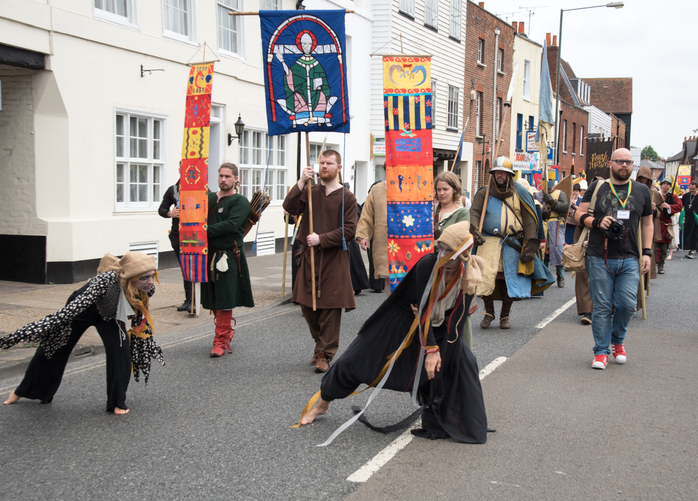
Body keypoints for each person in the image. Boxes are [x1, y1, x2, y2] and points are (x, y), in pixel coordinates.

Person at [297, 222, 489, 444]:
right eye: (441, 248)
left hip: (438, 325)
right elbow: (424, 310)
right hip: (402, 318)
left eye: (449, 252)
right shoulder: (429, 263)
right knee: (355, 360)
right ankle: (324, 401)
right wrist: (432, 348)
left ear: (463, 255)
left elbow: (457, 320)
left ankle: (449, 417)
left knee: (463, 363)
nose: (442, 255)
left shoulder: (470, 273)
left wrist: (442, 352)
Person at [2, 252, 164, 415]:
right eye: (144, 278)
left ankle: (117, 401)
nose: (150, 281)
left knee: (120, 350)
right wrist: (20, 335)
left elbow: (138, 315)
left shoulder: (148, 288)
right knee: (55, 349)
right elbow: (67, 313)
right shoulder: (104, 281)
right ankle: (23, 391)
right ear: (131, 277)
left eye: (152, 276)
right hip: (81, 311)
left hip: (109, 316)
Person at [575, 148, 653, 370]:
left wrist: (647, 252)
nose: (625, 166)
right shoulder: (598, 187)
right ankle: (600, 352)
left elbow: (647, 223)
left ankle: (617, 341)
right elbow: (578, 215)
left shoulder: (641, 191)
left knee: (628, 304)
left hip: (630, 257)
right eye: (620, 161)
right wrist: (598, 222)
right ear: (610, 163)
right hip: (599, 256)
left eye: (629, 162)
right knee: (601, 307)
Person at [283, 150, 357, 373]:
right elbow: (290, 207)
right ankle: (320, 346)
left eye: (329, 163)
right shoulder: (310, 191)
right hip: (309, 257)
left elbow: (350, 230)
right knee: (307, 305)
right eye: (321, 163)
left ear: (338, 168)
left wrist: (321, 239)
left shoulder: (348, 197)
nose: (324, 166)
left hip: (334, 258)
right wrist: (300, 181)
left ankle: (325, 353)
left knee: (329, 308)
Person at [470, 156, 553, 329]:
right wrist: (475, 228)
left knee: (509, 280)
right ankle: (489, 313)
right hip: (488, 242)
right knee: (487, 279)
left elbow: (530, 219)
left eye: (503, 172)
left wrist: (531, 243)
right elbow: (475, 212)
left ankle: (505, 316)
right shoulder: (484, 192)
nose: (499, 175)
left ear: (509, 175)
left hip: (512, 242)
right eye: (497, 172)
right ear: (492, 174)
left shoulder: (520, 192)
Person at [201, 163, 254, 358]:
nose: (223, 180)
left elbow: (231, 225)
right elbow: (195, 216)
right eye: (221, 176)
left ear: (236, 179)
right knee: (214, 297)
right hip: (209, 254)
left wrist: (203, 230)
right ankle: (226, 331)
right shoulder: (209, 198)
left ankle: (220, 341)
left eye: (228, 176)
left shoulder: (240, 201)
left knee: (224, 298)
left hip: (229, 255)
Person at [159, 180, 195, 312]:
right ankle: (188, 300)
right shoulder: (173, 190)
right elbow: (161, 209)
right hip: (178, 234)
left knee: (195, 266)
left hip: (196, 234)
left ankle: (196, 299)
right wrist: (170, 213)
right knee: (185, 267)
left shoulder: (202, 187)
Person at [356, 180, 389, 295]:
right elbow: (367, 214)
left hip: (407, 240)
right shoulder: (376, 189)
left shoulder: (412, 185)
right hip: (382, 238)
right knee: (387, 276)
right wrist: (363, 235)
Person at [539, 180, 569, 288]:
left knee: (558, 249)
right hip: (543, 224)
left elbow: (564, 207)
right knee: (544, 252)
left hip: (556, 223)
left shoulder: (560, 194)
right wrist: (542, 214)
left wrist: (552, 202)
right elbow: (535, 208)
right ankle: (544, 277)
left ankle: (560, 275)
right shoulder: (539, 194)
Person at [345, 183, 369, 295]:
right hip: (343, 236)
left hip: (350, 236)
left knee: (354, 262)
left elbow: (358, 217)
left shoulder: (351, 201)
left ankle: (358, 284)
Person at [654, 178, 682, 273]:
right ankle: (652, 266)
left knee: (663, 249)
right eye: (664, 184)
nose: (665, 186)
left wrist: (669, 207)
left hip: (666, 226)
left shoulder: (673, 196)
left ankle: (661, 266)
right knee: (653, 248)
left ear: (670, 186)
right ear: (661, 185)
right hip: (656, 224)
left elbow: (679, 206)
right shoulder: (656, 194)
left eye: (668, 184)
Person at [433, 171, 469, 240]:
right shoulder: (430, 210)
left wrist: (430, 245)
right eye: (439, 190)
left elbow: (457, 240)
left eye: (445, 189)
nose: (441, 193)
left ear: (454, 189)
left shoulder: (462, 213)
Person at [681, 181, 698, 259]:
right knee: (686, 233)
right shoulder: (686, 196)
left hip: (695, 219)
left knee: (694, 234)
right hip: (687, 218)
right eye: (690, 189)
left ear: (697, 188)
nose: (691, 190)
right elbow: (681, 205)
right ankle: (686, 247)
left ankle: (693, 250)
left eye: (693, 189)